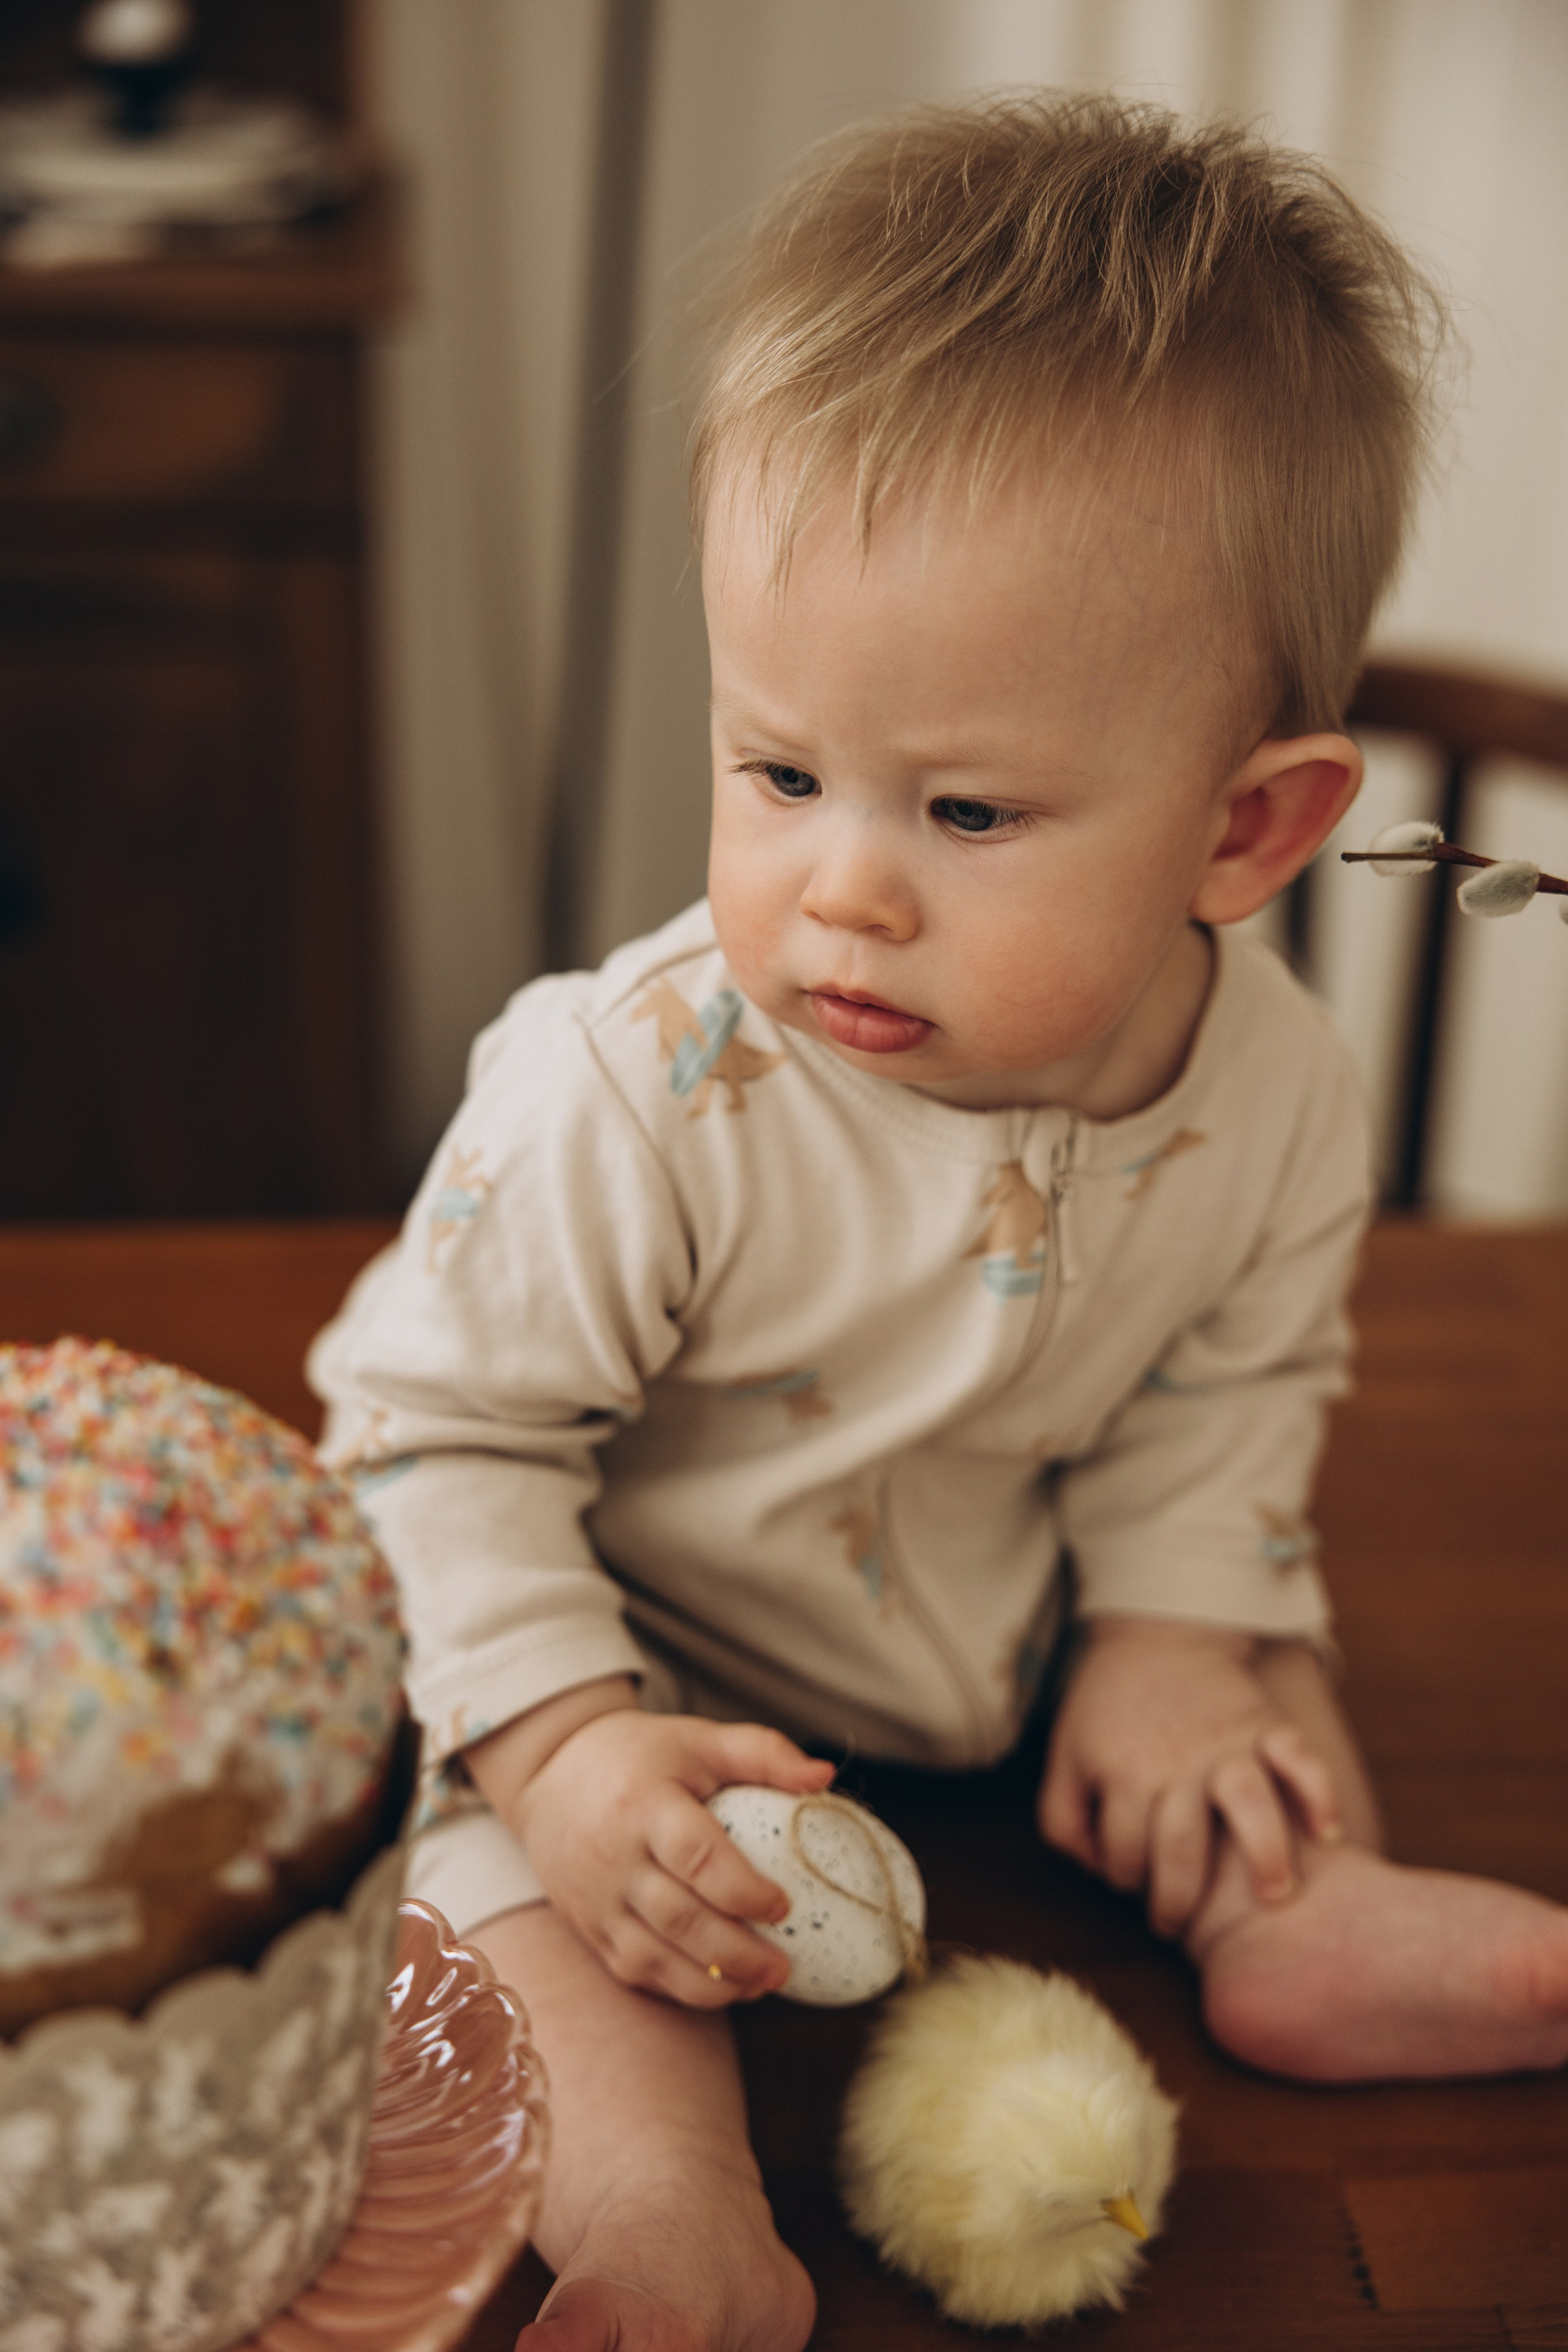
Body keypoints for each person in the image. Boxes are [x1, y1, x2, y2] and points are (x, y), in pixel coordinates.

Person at [311, 96, 1568, 2352]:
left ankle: (1302, 1910)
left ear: (1245, 829)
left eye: (967, 809)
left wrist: (1180, 1627)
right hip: (649, 1667)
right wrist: (573, 1745)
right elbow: (421, 1444)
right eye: (778, 771)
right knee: (504, 1883)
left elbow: (1228, 1396)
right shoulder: (642, 1090)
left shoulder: (1274, 1090)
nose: (841, 889)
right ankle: (673, 2222)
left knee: (1259, 1664)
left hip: (1029, 1648)